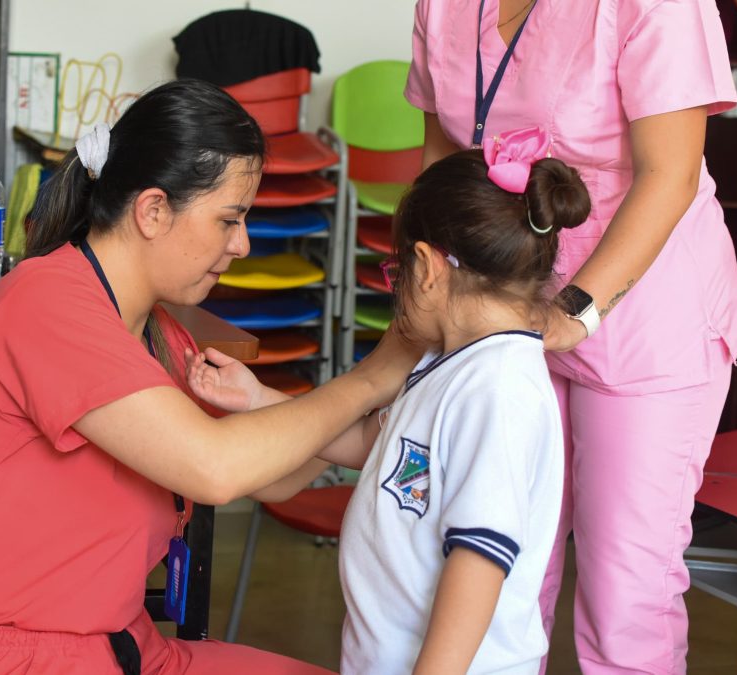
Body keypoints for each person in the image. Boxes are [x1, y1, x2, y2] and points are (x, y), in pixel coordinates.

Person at [0, 79, 418, 674]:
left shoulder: (159, 333)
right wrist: (371, 377)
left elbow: (277, 476)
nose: (241, 244)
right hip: (4, 655)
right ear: (154, 210)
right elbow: (216, 467)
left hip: (119, 648)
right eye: (229, 219)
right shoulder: (45, 304)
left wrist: (396, 409)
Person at [405, 0, 737, 672]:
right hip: (499, 309)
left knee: (624, 598)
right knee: (491, 573)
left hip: (646, 320)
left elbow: (671, 173)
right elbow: (445, 150)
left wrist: (574, 310)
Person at [189, 129, 589, 673]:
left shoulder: (500, 391)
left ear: (425, 269)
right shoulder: (451, 363)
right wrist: (261, 398)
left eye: (395, 274)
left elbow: (478, 564)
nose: (395, 287)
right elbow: (380, 448)